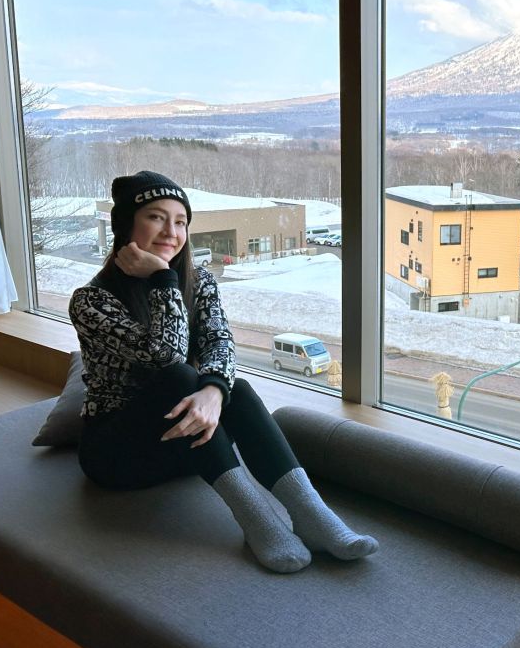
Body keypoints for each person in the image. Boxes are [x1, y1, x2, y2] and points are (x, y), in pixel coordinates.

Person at [69, 170, 377, 574]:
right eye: (156, 217)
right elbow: (166, 356)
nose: (171, 232)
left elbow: (220, 343)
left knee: (236, 388)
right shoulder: (91, 301)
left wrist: (214, 391)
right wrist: (162, 278)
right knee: (179, 377)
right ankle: (258, 520)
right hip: (118, 455)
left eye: (181, 221)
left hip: (186, 444)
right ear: (126, 224)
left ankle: (312, 515)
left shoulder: (199, 282)